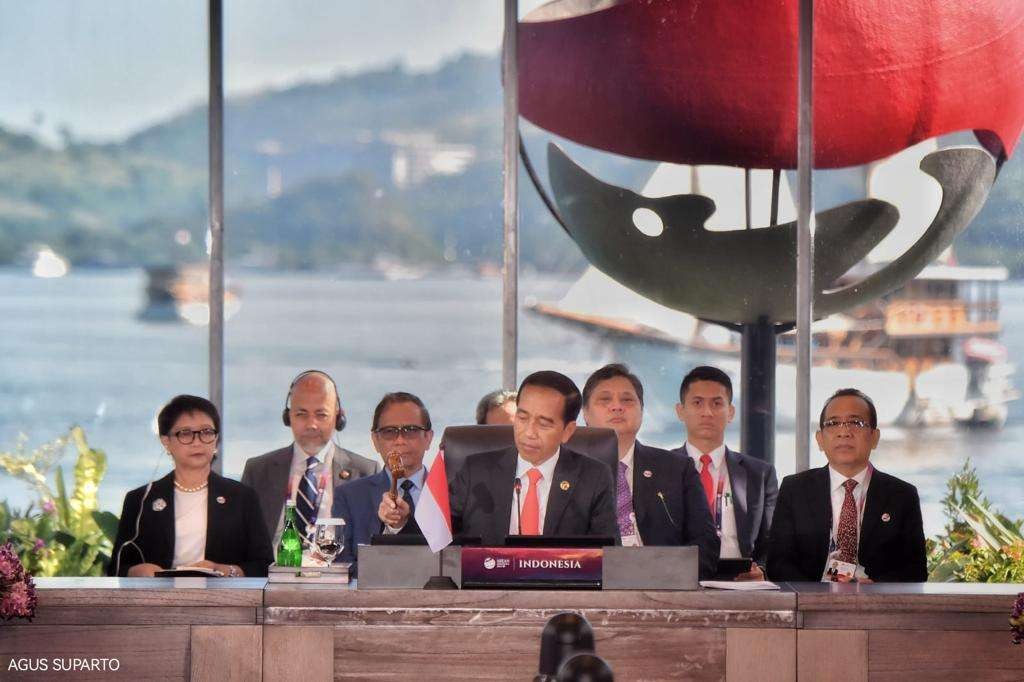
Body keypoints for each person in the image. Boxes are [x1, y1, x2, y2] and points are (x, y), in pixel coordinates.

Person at [767, 388, 928, 582]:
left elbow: (915, 571)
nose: (844, 432)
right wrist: (819, 591)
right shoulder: (795, 489)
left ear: (874, 437)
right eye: (833, 423)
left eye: (856, 422)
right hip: (813, 606)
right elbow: (778, 564)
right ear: (820, 439)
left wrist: (875, 587)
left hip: (878, 606)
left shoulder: (902, 495)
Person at [108, 395, 272, 577]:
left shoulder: (242, 497)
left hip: (223, 600)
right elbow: (116, 568)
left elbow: (264, 565)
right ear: (166, 441)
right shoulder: (140, 500)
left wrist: (224, 570)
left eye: (206, 432)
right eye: (185, 433)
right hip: (157, 600)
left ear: (216, 440)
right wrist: (136, 572)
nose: (197, 442)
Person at [581, 364, 719, 579]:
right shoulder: (570, 471)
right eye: (605, 399)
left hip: (665, 587)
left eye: (627, 400)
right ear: (585, 413)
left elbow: (706, 544)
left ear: (642, 410)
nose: (617, 407)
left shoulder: (677, 468)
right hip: (591, 588)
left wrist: (665, 576)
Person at [450, 370, 618, 545]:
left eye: (544, 424)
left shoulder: (593, 477)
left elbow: (610, 556)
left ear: (567, 431)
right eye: (522, 418)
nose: (529, 433)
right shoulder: (475, 471)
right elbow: (437, 542)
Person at [242, 370, 379, 548]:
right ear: (288, 416)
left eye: (321, 415)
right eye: (301, 414)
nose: (311, 424)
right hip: (273, 572)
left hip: (337, 571)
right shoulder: (258, 471)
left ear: (338, 416)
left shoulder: (365, 471)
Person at [672, 366, 778, 580]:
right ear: (680, 411)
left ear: (730, 412)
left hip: (741, 581)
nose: (707, 412)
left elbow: (772, 542)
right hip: (678, 579)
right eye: (697, 402)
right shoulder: (662, 469)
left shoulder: (760, 474)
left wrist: (762, 571)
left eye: (717, 403)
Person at [332, 392, 433, 574]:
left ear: (428, 438)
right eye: (389, 432)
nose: (400, 440)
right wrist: (391, 530)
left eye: (410, 430)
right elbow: (341, 568)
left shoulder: (452, 493)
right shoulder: (348, 496)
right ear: (375, 441)